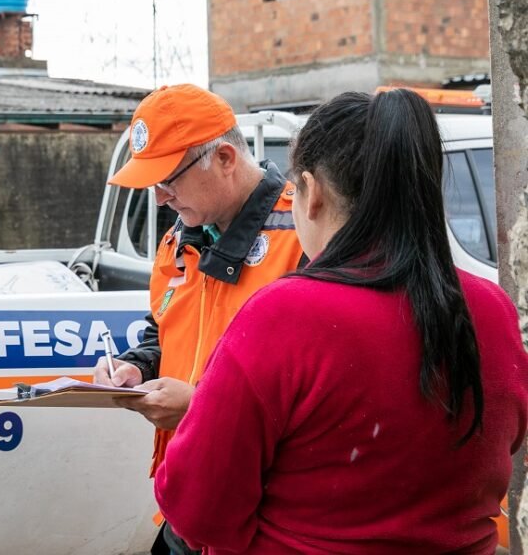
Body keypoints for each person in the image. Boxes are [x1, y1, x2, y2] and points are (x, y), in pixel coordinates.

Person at [153, 89, 528, 553]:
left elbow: (196, 508)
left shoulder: (283, 316)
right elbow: (504, 445)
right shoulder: (492, 309)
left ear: (313, 194)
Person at [92, 84, 304, 554]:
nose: (161, 198)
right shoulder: (178, 241)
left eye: (169, 179)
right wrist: (137, 366)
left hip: (266, 514)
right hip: (189, 499)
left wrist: (202, 406)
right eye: (152, 184)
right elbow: (164, 331)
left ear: (225, 158)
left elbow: (319, 393)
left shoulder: (303, 238)